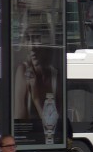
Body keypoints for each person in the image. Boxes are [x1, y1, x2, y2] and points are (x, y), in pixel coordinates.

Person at [13, 16, 61, 144]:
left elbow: (54, 126)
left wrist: (36, 98)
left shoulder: (55, 76)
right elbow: (20, 123)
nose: (32, 47)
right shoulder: (22, 71)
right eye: (28, 39)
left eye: (36, 38)